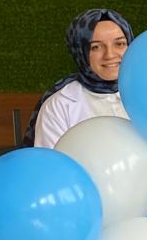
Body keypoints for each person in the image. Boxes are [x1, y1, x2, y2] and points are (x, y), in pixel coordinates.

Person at [26, 9, 134, 148]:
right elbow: (50, 160)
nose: (110, 55)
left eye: (119, 44)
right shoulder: (60, 105)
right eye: (96, 47)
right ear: (80, 51)